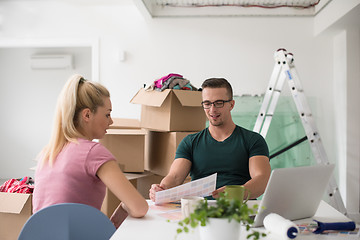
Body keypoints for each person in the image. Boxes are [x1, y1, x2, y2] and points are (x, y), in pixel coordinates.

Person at [33, 74, 148, 228]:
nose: (111, 121)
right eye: (107, 114)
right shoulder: (93, 152)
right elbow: (140, 208)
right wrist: (127, 206)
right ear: (87, 115)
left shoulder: (47, 153)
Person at [149, 78, 271, 201]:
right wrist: (161, 189)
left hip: (240, 209)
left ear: (231, 104)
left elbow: (262, 179)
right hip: (201, 211)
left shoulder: (253, 140)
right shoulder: (190, 142)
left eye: (219, 103)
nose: (212, 110)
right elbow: (174, 177)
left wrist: (238, 193)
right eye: (207, 104)